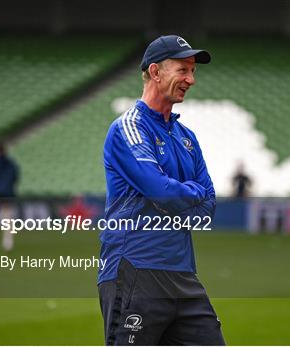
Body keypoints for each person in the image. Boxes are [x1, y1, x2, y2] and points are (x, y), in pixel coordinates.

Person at [97, 35, 225, 345]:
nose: (191, 80)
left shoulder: (187, 137)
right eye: (183, 70)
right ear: (155, 72)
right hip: (136, 270)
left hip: (183, 275)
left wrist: (177, 193)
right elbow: (161, 192)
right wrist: (187, 191)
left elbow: (208, 206)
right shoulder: (128, 128)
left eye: (193, 71)